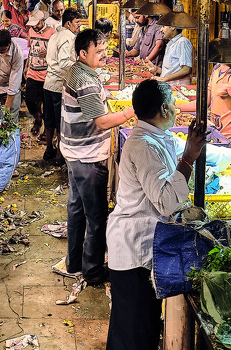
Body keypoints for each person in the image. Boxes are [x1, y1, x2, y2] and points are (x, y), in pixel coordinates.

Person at [106, 80, 231, 350]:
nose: (176, 108)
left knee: (136, 327)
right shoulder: (144, 145)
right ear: (162, 109)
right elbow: (167, 202)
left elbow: (203, 152)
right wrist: (187, 160)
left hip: (143, 244)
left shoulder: (157, 136)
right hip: (134, 248)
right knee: (134, 333)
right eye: (172, 102)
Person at [56, 29, 136, 284]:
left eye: (105, 49)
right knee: (97, 215)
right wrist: (131, 112)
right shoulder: (86, 80)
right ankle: (92, 271)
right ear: (82, 53)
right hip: (87, 155)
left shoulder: (76, 70)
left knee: (77, 208)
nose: (105, 54)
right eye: (98, 51)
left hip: (73, 150)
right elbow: (102, 122)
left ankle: (74, 262)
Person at [43, 8, 80, 163]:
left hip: (48, 83)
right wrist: (80, 67)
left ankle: (48, 149)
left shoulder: (54, 36)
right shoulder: (68, 37)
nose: (78, 26)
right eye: (77, 23)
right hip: (59, 85)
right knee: (59, 121)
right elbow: (64, 62)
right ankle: (59, 153)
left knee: (49, 119)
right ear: (68, 23)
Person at [24, 10, 56, 139]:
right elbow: (31, 49)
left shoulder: (52, 33)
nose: (34, 27)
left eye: (36, 24)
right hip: (32, 72)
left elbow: (56, 53)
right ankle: (38, 118)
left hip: (46, 74)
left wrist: (47, 53)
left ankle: (45, 131)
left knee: (47, 105)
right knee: (30, 100)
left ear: (42, 21)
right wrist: (26, 67)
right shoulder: (31, 31)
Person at [0, 29, 24, 122]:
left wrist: (7, 106)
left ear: (9, 44)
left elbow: (14, 81)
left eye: (2, 51)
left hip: (10, 88)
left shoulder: (17, 54)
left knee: (11, 119)